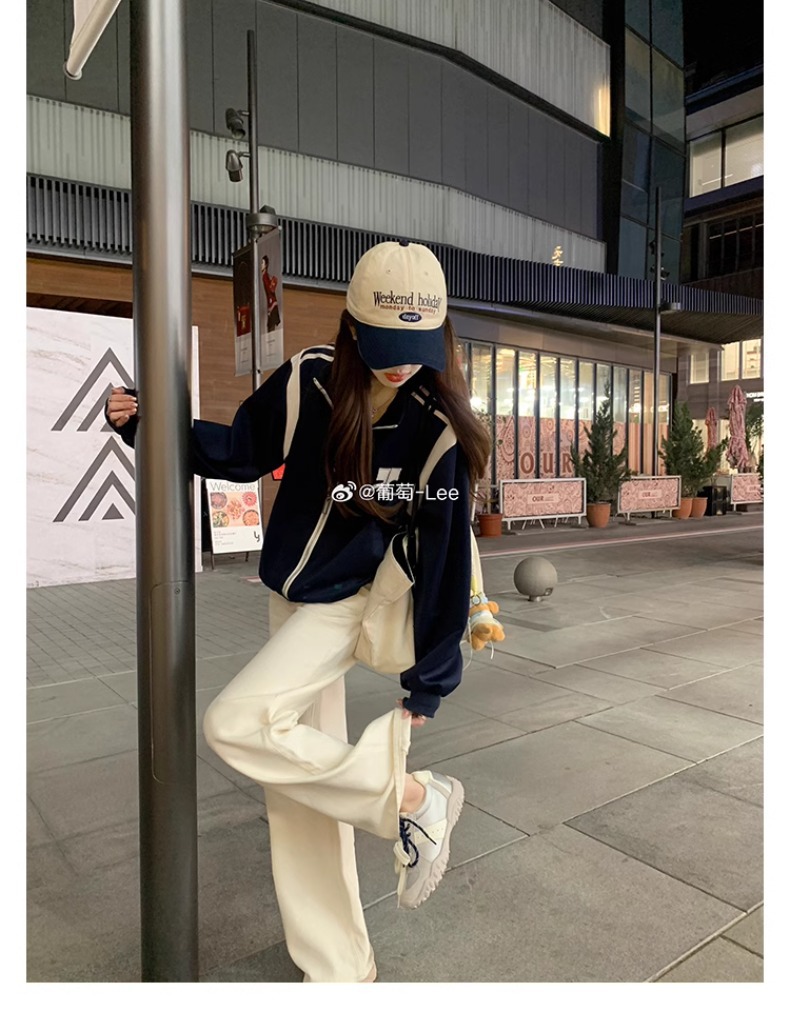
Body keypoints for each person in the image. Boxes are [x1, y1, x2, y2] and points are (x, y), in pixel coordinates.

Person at [106, 240, 491, 983]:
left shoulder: (437, 427)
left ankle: (414, 797)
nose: (401, 366)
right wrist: (145, 426)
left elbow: (446, 558)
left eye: (416, 349)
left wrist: (429, 686)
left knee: (235, 724)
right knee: (294, 790)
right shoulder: (311, 379)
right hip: (292, 599)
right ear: (352, 327)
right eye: (386, 346)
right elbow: (237, 451)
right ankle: (339, 966)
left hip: (353, 604)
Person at [261, 254, 281, 332]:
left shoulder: (265, 276)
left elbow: (270, 291)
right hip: (272, 304)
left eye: (262, 263)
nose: (261, 265)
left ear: (266, 265)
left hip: (272, 305)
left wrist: (270, 308)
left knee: (271, 328)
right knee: (271, 328)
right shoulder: (265, 276)